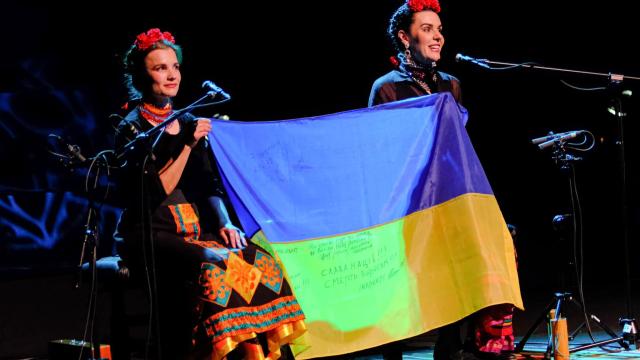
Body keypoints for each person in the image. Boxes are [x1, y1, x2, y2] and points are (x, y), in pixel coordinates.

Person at [113, 28, 306, 359]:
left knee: (259, 260)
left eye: (174, 66)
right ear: (140, 77)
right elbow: (155, 191)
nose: (171, 74)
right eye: (160, 68)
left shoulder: (186, 119)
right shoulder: (131, 127)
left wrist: (225, 222)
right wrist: (187, 143)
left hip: (195, 231)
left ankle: (253, 354)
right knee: (216, 268)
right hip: (153, 233)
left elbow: (208, 184)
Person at [369, 2, 516, 360]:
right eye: (427, 29)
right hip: (404, 201)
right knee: (402, 283)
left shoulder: (451, 84)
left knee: (474, 252)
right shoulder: (386, 88)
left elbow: (458, 148)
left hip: (446, 196)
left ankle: (452, 343)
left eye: (439, 29)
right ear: (405, 37)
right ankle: (393, 351)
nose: (437, 37)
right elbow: (377, 152)